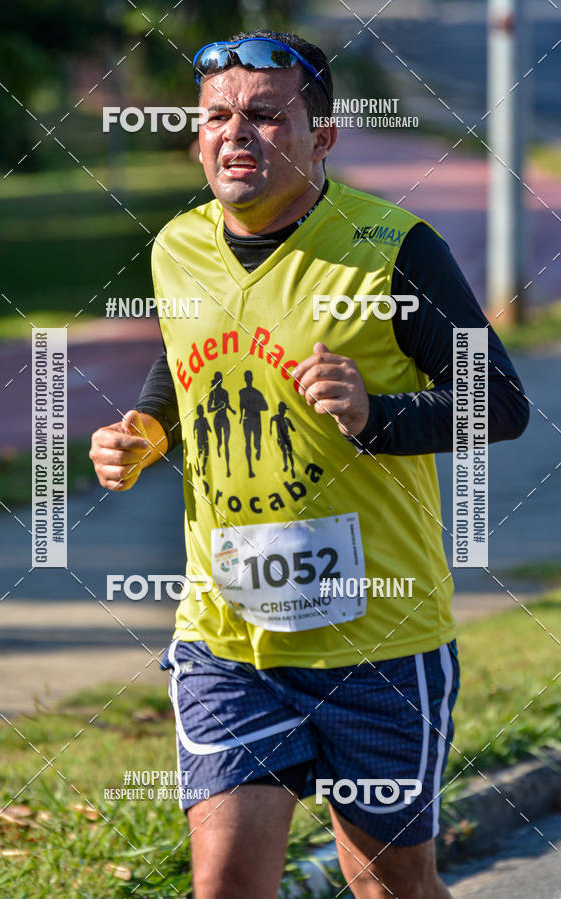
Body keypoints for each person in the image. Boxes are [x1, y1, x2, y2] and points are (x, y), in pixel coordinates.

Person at [89, 31, 529, 899]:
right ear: (194, 137)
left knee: (389, 887)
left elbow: (503, 404)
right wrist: (141, 429)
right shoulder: (175, 249)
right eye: (216, 117)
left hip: (379, 645)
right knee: (224, 886)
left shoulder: (396, 248)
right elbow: (183, 370)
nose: (235, 135)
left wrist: (378, 414)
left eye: (265, 115)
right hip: (228, 641)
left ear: (322, 138)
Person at [239, 369, 268, 477]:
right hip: (247, 420)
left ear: (251, 379)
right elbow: (241, 405)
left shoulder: (257, 393)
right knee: (247, 444)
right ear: (245, 379)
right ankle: (250, 469)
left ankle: (258, 448)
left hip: (256, 420)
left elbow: (265, 406)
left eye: (249, 377)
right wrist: (241, 417)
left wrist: (253, 406)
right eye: (247, 378)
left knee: (256, 442)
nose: (248, 380)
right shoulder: (241, 392)